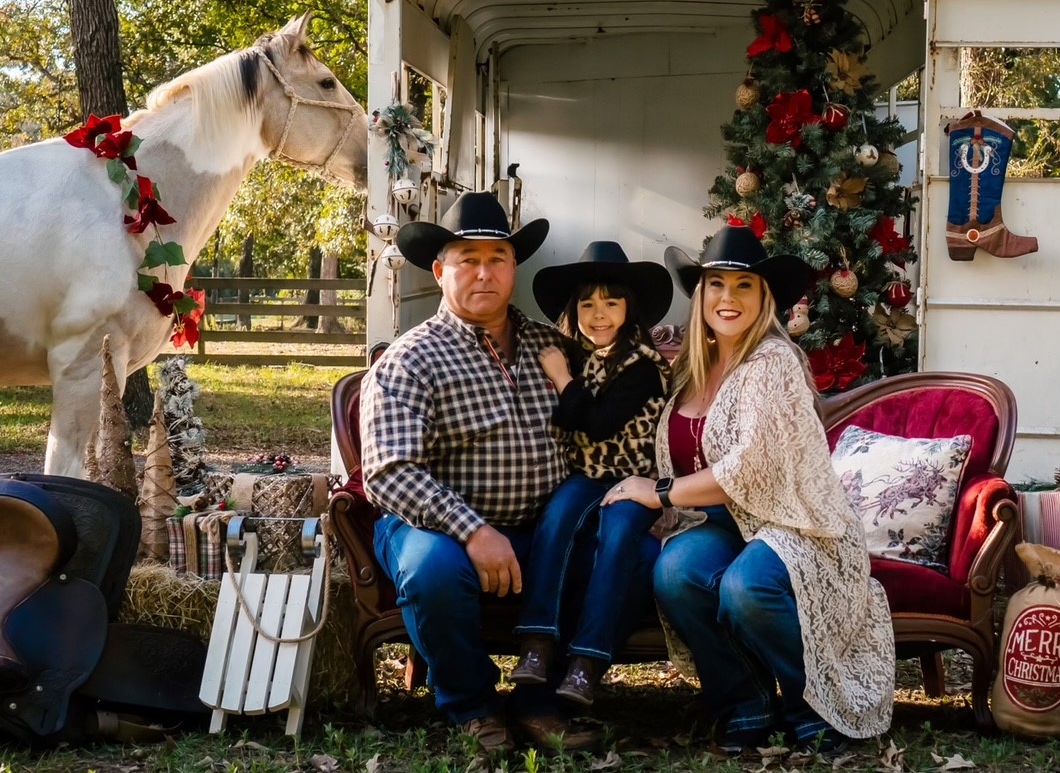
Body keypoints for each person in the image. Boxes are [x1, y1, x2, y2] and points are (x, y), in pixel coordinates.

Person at [602, 225, 896, 751]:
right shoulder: (692, 367)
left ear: (764, 299)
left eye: (744, 286)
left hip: (795, 520)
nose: (728, 298)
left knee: (746, 588)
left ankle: (813, 705)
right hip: (718, 521)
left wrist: (659, 492)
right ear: (701, 295)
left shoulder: (773, 361)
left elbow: (750, 467)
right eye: (716, 284)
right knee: (675, 573)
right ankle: (744, 702)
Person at [360, 191, 599, 755]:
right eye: (468, 260)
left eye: (498, 259)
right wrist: (473, 531)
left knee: (612, 551)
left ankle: (542, 702)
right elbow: (389, 472)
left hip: (543, 525)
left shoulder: (553, 346)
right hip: (435, 527)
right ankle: (473, 705)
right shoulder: (411, 358)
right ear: (440, 271)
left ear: (514, 268)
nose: (485, 273)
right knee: (432, 573)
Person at [509, 241, 672, 707]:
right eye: (587, 305)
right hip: (585, 473)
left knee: (617, 538)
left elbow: (597, 422)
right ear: (573, 311)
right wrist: (565, 374)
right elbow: (565, 417)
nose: (599, 315)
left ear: (629, 309)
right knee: (557, 519)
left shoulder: (642, 364)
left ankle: (588, 660)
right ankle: (537, 640)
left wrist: (562, 379)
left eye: (611, 303)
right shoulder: (574, 353)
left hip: (632, 479)